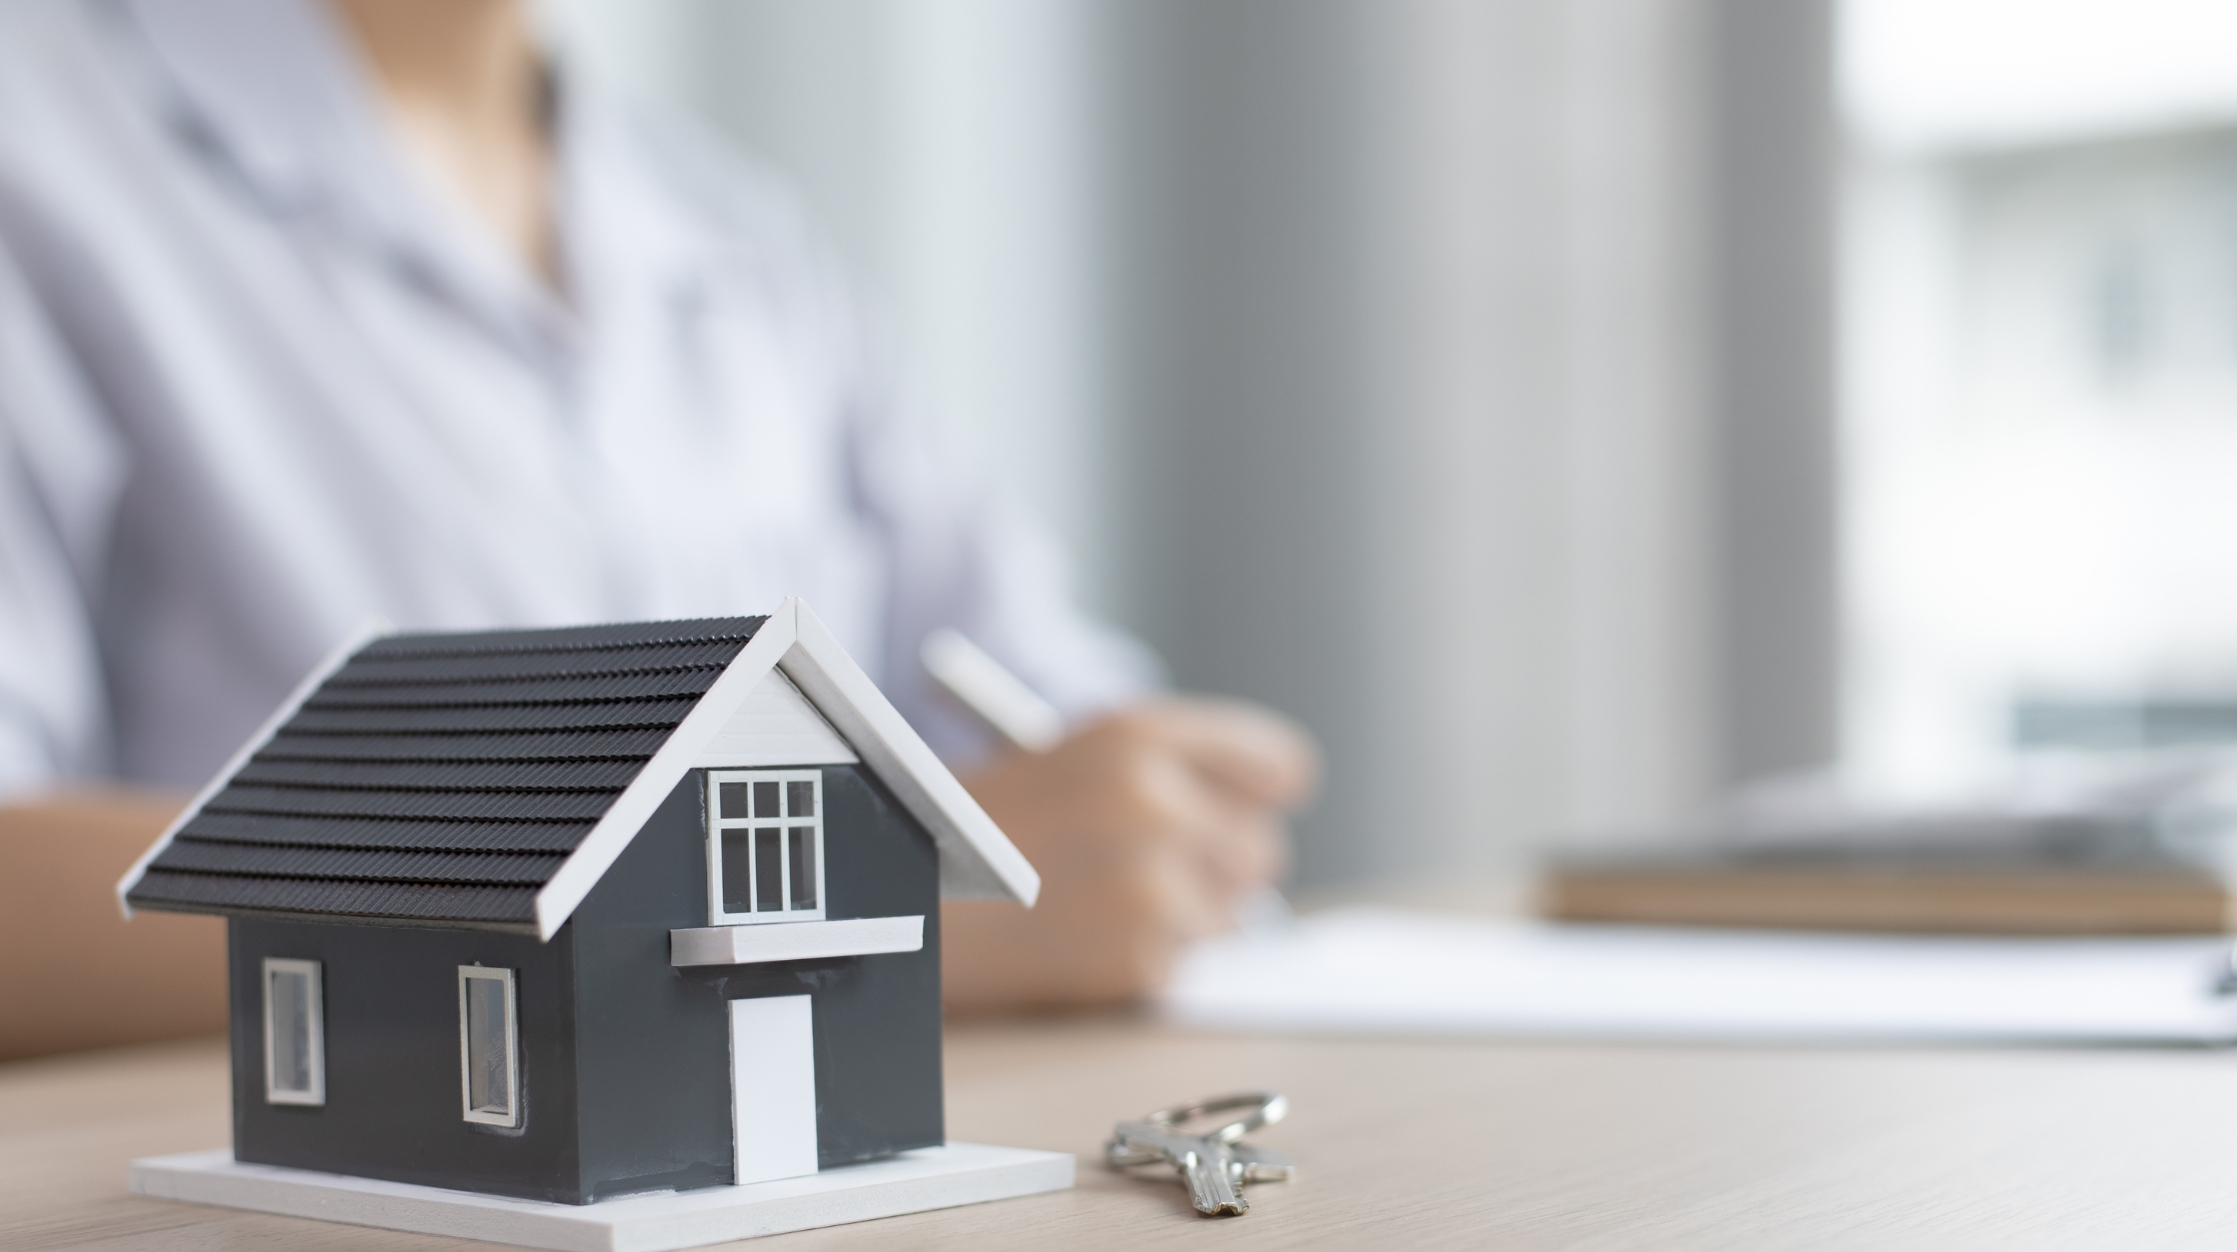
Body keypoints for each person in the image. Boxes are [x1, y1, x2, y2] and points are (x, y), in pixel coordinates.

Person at [0, 0, 1317, 1060]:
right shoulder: (44, 166)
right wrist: (846, 906)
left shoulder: (725, 225)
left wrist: (1141, 818)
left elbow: (1032, 706)